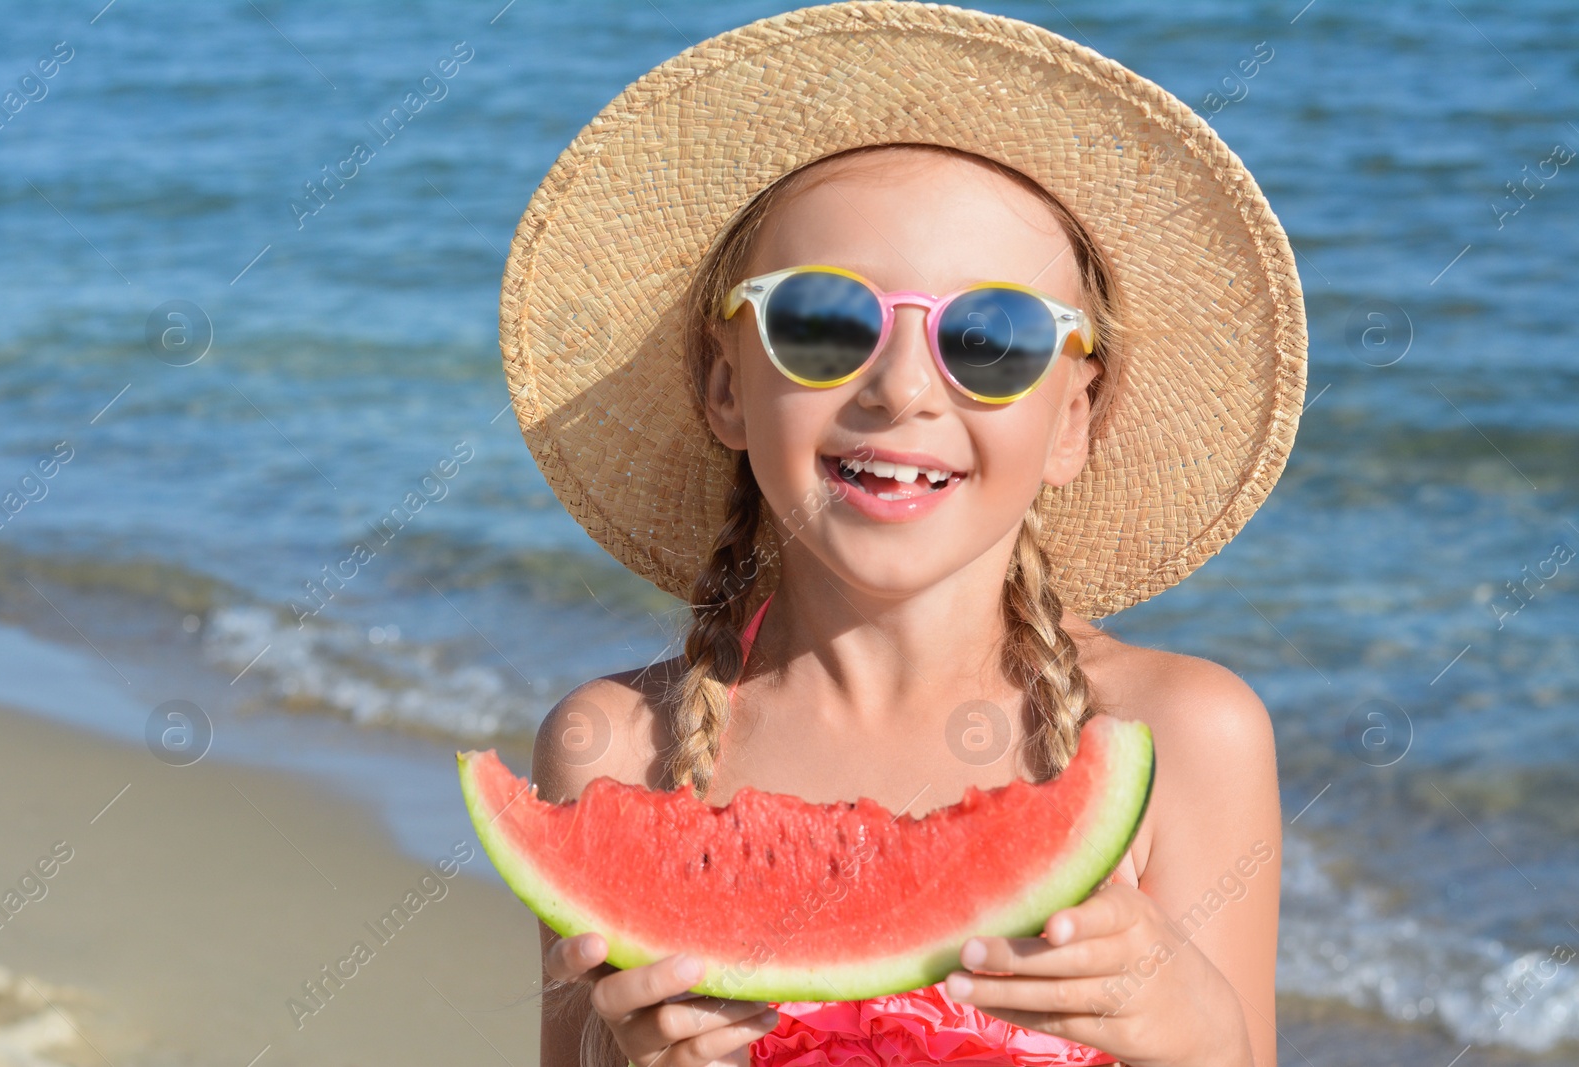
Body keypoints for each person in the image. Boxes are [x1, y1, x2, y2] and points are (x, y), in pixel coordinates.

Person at [499, 4, 1307, 1065]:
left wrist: (1190, 1029)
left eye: (992, 337)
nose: (903, 389)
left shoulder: (1185, 738)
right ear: (722, 383)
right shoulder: (612, 749)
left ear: (1072, 415)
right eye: (824, 322)